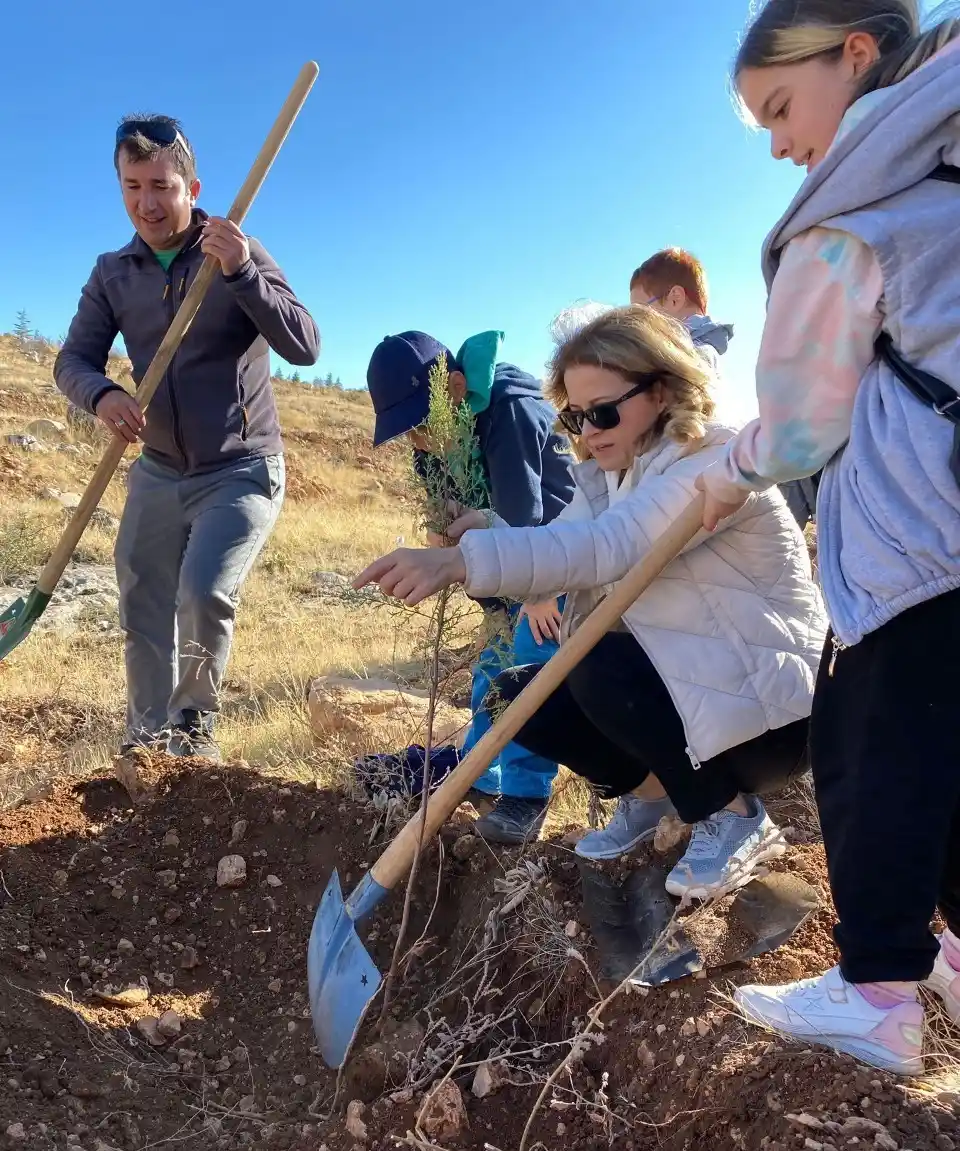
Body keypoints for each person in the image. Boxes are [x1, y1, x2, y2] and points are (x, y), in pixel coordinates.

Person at [698, 1, 960, 1075]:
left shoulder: (850, 215)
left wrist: (732, 463)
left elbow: (804, 423)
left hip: (911, 536)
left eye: (779, 105)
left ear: (855, 54)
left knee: (865, 749)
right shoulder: (944, 169)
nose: (775, 142)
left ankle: (879, 990)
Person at [355, 306, 827, 895]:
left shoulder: (711, 463)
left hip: (775, 715)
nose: (587, 432)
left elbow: (611, 547)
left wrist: (457, 562)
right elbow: (560, 548)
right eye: (575, 417)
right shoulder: (607, 479)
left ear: (660, 392)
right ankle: (650, 802)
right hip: (704, 703)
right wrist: (484, 533)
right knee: (520, 694)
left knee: (596, 664)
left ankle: (732, 819)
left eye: (602, 412)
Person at [55, 116, 319, 761]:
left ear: (191, 187)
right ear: (120, 187)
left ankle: (191, 736)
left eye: (162, 186)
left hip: (240, 467)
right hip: (159, 468)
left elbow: (304, 345)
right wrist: (105, 394)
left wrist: (240, 275)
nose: (148, 202)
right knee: (142, 601)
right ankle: (146, 741)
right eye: (133, 185)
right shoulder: (113, 272)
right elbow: (73, 362)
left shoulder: (238, 248)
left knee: (202, 594)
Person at [365, 330, 575, 844]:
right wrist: (441, 533)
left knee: (528, 667)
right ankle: (482, 778)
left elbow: (530, 518)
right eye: (405, 431)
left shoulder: (509, 410)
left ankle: (526, 798)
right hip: (504, 565)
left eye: (419, 423)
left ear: (456, 387)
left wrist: (538, 593)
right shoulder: (433, 436)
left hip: (561, 560)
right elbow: (444, 515)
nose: (416, 440)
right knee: (491, 673)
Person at [631, 248, 818, 529]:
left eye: (641, 312)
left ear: (675, 297)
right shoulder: (701, 351)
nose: (639, 326)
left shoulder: (695, 357)